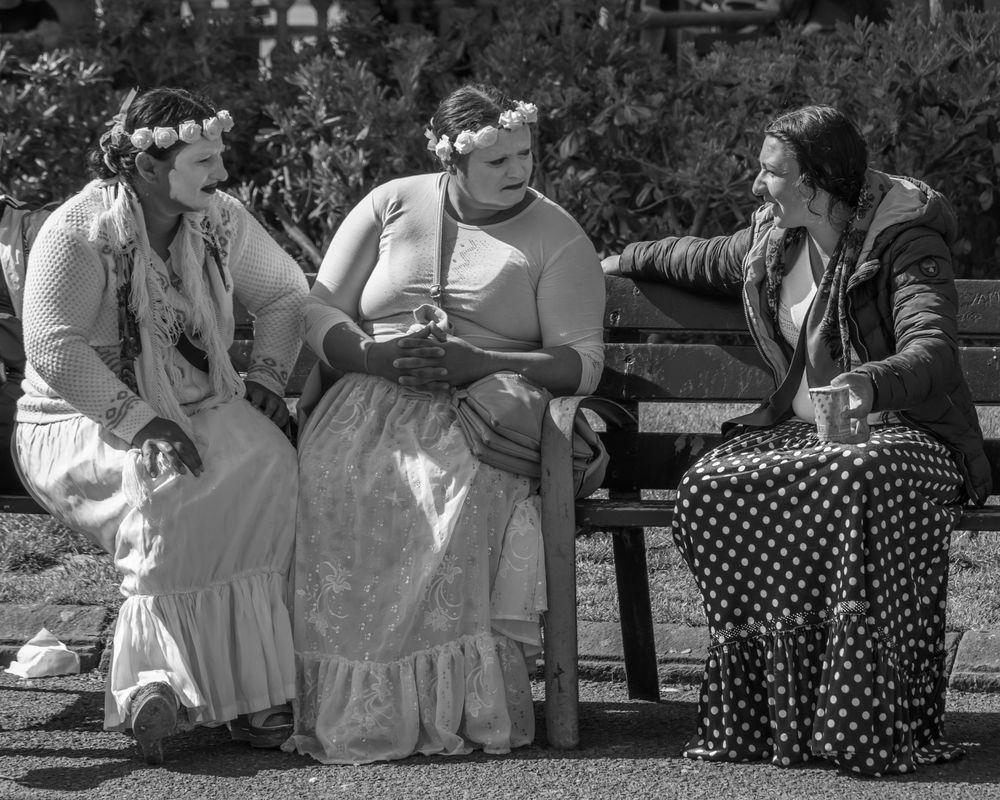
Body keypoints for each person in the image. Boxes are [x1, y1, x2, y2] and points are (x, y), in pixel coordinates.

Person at [603, 104, 990, 775]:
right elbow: (695, 258)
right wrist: (616, 259)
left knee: (852, 471)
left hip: (909, 437)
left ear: (813, 184)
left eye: (770, 171)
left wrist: (867, 385)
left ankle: (863, 715)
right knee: (710, 485)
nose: (757, 183)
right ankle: (774, 713)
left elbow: (933, 352)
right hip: (815, 437)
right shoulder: (773, 242)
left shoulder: (905, 239)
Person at [285, 83, 606, 764]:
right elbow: (318, 311)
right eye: (498, 161)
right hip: (366, 403)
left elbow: (584, 364)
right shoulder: (392, 202)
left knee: (446, 504)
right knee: (328, 485)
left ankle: (445, 707)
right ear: (449, 161)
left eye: (525, 154)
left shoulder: (556, 235)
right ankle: (321, 700)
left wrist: (474, 359)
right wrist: (371, 352)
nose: (519, 171)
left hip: (482, 417)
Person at [14, 87, 310, 764]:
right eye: (203, 160)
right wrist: (142, 421)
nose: (221, 174)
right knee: (164, 480)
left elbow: (287, 293)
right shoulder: (79, 231)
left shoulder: (220, 219)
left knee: (269, 461)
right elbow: (54, 349)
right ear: (148, 167)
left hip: (196, 400)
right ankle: (155, 685)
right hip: (73, 417)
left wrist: (266, 375)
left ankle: (258, 689)